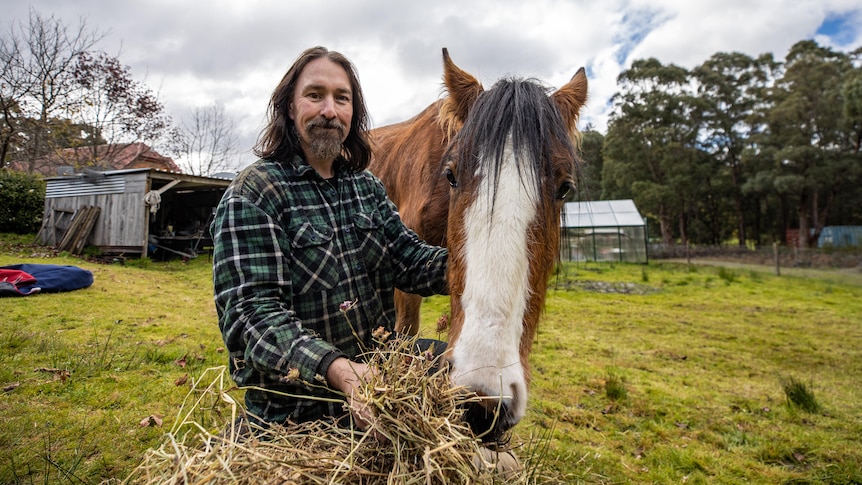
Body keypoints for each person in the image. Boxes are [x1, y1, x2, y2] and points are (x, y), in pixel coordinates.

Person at [211, 46, 448, 437]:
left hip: (381, 374)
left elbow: (408, 259)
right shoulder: (255, 194)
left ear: (353, 112)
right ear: (289, 107)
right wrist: (337, 370)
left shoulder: (365, 187)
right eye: (315, 95)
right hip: (299, 406)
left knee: (480, 386)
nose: (329, 110)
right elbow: (251, 316)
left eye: (342, 98)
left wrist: (474, 263)